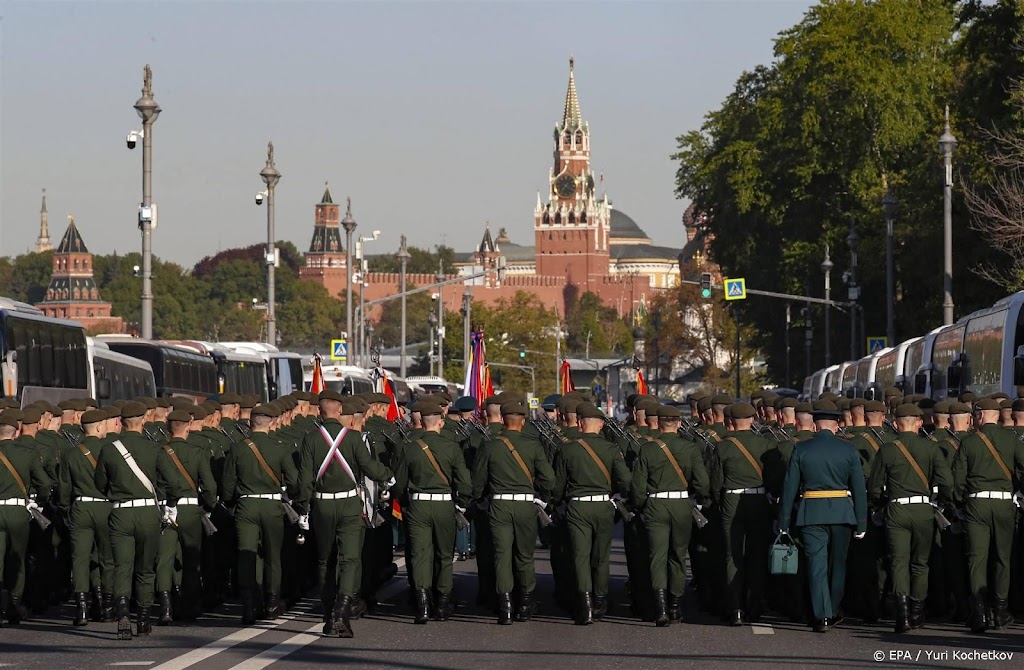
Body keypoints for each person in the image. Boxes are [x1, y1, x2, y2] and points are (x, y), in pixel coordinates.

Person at [296, 390, 394, 638]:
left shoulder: (310, 439)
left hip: (322, 505)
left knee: (324, 560)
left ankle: (329, 614)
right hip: (350, 505)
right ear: (340, 411)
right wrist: (388, 476)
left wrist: (303, 508)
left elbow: (305, 479)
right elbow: (370, 467)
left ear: (320, 411)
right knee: (350, 559)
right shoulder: (353, 438)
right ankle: (342, 610)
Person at [778, 401, 867, 633]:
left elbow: (789, 489)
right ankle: (833, 609)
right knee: (838, 565)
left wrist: (784, 522)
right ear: (836, 426)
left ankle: (822, 616)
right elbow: (859, 488)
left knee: (816, 565)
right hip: (842, 512)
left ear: (815, 426)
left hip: (811, 513)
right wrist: (862, 521)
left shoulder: (801, 449)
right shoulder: (848, 449)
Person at [94, 401, 180, 640]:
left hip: (120, 512)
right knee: (145, 569)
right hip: (147, 514)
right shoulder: (154, 448)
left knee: (122, 566)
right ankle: (143, 619)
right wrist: (170, 505)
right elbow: (174, 483)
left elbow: (100, 484)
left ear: (121, 423)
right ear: (143, 421)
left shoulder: (109, 449)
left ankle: (122, 612)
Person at [867, 403, 953, 633]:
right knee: (920, 563)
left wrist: (881, 503)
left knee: (898, 561)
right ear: (919, 423)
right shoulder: (931, 448)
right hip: (923, 510)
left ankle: (902, 614)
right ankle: (917, 611)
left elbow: (874, 487)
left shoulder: (887, 449)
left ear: (895, 424)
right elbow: (947, 483)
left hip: (896, 509)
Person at [472, 400, 555, 624]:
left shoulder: (490, 445)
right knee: (524, 556)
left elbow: (478, 481)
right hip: (525, 505)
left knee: (501, 555)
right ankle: (526, 605)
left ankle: (505, 606)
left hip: (499, 505)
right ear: (524, 421)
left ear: (502, 420)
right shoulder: (533, 445)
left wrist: (480, 498)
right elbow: (549, 478)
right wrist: (543, 498)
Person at [552, 402, 630, 625]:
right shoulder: (611, 449)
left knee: (580, 557)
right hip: (603, 506)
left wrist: (555, 503)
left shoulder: (568, 449)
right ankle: (600, 601)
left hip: (577, 506)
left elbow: (558, 486)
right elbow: (625, 480)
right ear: (602, 425)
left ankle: (584, 605)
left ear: (578, 423)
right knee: (601, 557)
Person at [630, 404, 709, 626]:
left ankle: (661, 609)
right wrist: (700, 498)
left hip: (656, 504)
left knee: (657, 557)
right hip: (681, 504)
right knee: (678, 556)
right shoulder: (690, 448)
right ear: (679, 424)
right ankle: (675, 606)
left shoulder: (647, 449)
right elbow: (702, 482)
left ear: (658, 423)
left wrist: (641, 505)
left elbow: (638, 485)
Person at [393, 400, 471, 625]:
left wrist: (407, 503)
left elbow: (399, 485)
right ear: (441, 422)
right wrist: (461, 504)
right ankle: (443, 604)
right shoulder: (451, 446)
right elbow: (464, 483)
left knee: (420, 556)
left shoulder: (410, 448)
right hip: (444, 505)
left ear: (422, 422)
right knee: (444, 556)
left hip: (418, 505)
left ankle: (423, 606)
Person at [951, 397, 1024, 633]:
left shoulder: (969, 442)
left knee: (977, 558)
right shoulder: (1012, 439)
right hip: (1004, 504)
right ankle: (1001, 610)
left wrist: (962, 500)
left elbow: (958, 480)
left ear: (980, 416)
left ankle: (979, 611)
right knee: (1003, 557)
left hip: (977, 503)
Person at [221, 403, 299, 625]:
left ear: (249, 424)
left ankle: (248, 604)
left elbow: (227, 483)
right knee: (273, 556)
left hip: (246, 505)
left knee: (247, 554)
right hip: (272, 506)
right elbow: (294, 482)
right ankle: (272, 602)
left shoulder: (237, 448)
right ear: (272, 423)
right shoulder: (280, 447)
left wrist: (231, 500)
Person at [714, 402, 780, 625]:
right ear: (753, 420)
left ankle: (735, 609)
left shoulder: (722, 447)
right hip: (759, 500)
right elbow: (775, 480)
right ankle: (754, 606)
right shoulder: (766, 444)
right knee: (757, 555)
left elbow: (716, 483)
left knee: (732, 556)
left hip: (732, 500)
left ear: (730, 422)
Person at [154, 409, 217, 624]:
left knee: (164, 560)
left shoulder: (159, 452)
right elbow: (208, 486)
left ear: (167, 428)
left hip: (165, 509)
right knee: (191, 561)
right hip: (190, 510)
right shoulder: (197, 452)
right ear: (188, 426)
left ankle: (166, 608)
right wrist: (208, 507)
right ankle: (188, 606)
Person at [58, 408, 114, 626]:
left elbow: (64, 489)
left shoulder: (71, 453)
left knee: (80, 559)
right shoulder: (109, 450)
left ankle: (81, 608)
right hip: (105, 507)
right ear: (100, 426)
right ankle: (105, 606)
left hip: (80, 507)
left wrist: (66, 509)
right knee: (106, 559)